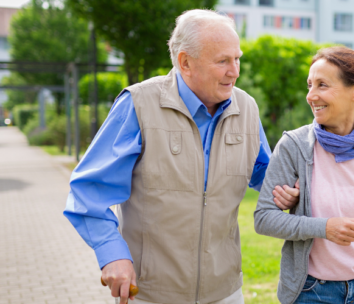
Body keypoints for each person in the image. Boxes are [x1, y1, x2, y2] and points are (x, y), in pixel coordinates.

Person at [63, 10, 299, 304]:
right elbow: (88, 192)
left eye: (237, 58)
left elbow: (265, 173)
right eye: (223, 61)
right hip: (151, 293)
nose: (234, 71)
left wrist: (286, 191)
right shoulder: (138, 105)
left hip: (225, 291)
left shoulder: (246, 108)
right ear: (186, 62)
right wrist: (112, 255)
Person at [254, 46, 354, 304]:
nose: (311, 96)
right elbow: (263, 218)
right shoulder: (294, 146)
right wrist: (323, 227)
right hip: (310, 292)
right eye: (309, 85)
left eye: (322, 85)